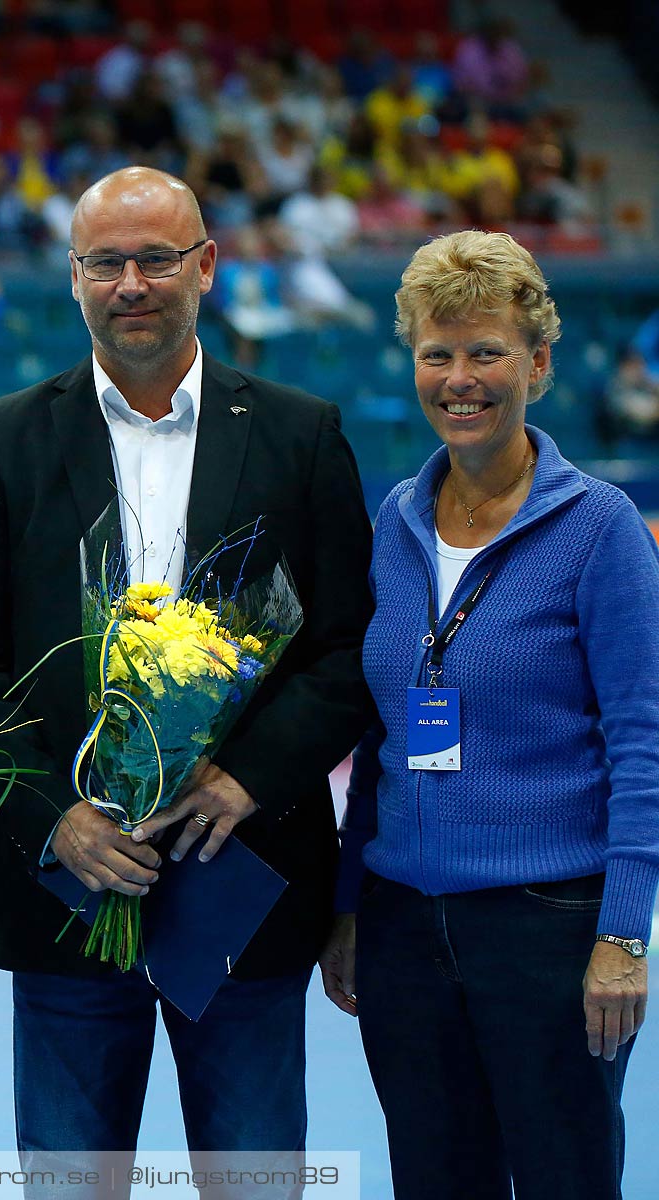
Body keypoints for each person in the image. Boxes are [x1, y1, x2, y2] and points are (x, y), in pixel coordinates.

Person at [0, 166, 374, 1195]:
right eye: (106, 263)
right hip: (68, 893)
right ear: (74, 279)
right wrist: (55, 817)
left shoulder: (301, 433)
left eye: (156, 258)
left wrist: (242, 779)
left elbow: (351, 649)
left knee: (254, 1180)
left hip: (244, 881)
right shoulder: (4, 439)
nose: (132, 282)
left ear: (207, 268)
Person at [319, 229, 658, 1200]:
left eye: (486, 352)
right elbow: (381, 737)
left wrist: (624, 935)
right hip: (401, 932)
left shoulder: (602, 531)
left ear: (539, 363)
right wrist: (348, 906)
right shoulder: (394, 521)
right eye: (438, 352)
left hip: (550, 932)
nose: (459, 378)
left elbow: (644, 746)